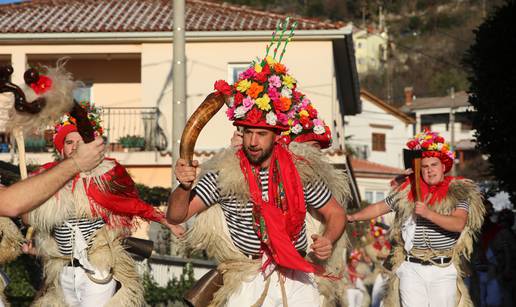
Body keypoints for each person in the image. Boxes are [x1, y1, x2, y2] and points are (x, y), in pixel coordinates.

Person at [168, 54, 347, 306]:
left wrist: (327, 239)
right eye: (248, 132)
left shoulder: (301, 171)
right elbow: (177, 216)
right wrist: (184, 186)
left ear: (276, 135)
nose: (253, 141)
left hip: (297, 272)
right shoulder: (223, 173)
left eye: (261, 134)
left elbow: (336, 213)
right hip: (247, 275)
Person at [23, 101, 175, 306]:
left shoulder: (105, 175)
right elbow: (30, 218)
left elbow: (130, 203)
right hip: (63, 271)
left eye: (80, 141)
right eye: (69, 142)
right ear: (61, 148)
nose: (75, 147)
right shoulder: (46, 177)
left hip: (96, 269)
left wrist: (166, 220)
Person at [347, 129, 484, 307]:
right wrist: (352, 216)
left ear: (443, 166)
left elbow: (458, 223)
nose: (429, 171)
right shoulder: (407, 190)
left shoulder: (459, 192)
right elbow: (380, 206)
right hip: (411, 267)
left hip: (442, 269)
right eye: (425, 167)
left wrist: (428, 214)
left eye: (434, 165)